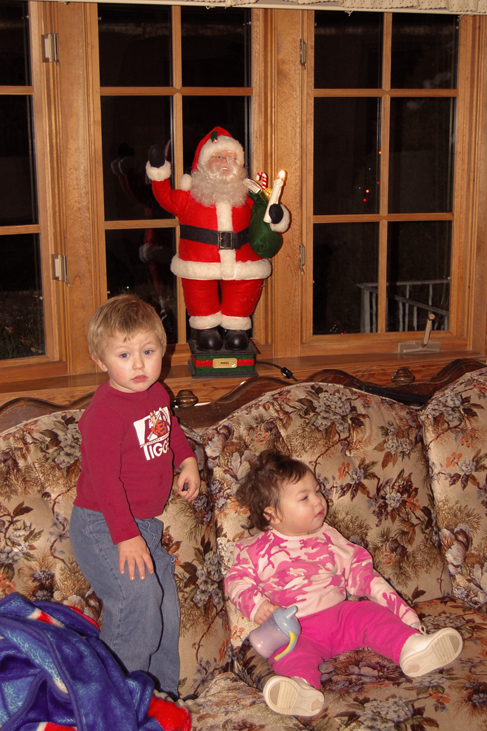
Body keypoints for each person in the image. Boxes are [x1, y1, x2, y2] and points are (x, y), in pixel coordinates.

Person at [225, 451, 463, 718]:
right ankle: (301, 689)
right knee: (289, 655)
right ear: (273, 515)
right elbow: (236, 581)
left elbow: (358, 571)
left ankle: (412, 648)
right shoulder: (255, 550)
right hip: (297, 632)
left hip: (341, 616)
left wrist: (404, 614)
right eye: (305, 497)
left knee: (370, 614)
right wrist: (257, 605)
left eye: (317, 491)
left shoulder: (329, 536)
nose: (318, 501)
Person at [70, 294, 200, 697]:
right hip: (102, 524)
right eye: (124, 355)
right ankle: (112, 699)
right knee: (138, 598)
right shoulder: (104, 414)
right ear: (101, 360)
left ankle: (159, 696)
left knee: (165, 609)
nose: (139, 365)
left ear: (163, 350)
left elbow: (170, 428)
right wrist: (125, 536)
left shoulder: (158, 393)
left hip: (143, 524)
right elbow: (106, 482)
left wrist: (188, 460)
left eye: (148, 351)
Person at [146, 126, 290, 352]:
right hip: (198, 263)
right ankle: (206, 330)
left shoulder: (249, 194)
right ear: (203, 163)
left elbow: (268, 215)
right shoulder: (189, 196)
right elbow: (164, 197)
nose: (225, 162)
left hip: (244, 263)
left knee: (242, 300)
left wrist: (276, 215)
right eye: (218, 157)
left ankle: (236, 329)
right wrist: (157, 169)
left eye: (232, 158)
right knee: (200, 300)